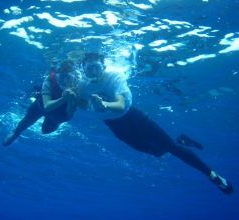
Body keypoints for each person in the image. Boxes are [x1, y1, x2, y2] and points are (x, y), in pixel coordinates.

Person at [76, 52, 233, 194]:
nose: (93, 72)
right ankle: (181, 140)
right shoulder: (83, 85)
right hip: (113, 125)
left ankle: (213, 176)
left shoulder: (115, 77)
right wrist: (83, 103)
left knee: (172, 148)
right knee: (155, 151)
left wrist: (104, 105)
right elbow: (83, 103)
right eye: (89, 69)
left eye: (96, 67)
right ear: (83, 69)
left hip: (133, 116)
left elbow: (121, 105)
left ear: (103, 65)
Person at [3, 59, 79, 146]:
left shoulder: (77, 88)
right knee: (25, 123)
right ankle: (15, 133)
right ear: (58, 75)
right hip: (41, 106)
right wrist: (64, 98)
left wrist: (71, 99)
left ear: (74, 78)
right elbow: (47, 106)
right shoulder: (49, 80)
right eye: (62, 76)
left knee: (45, 130)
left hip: (56, 115)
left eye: (68, 77)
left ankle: (16, 133)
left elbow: (70, 114)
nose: (64, 81)